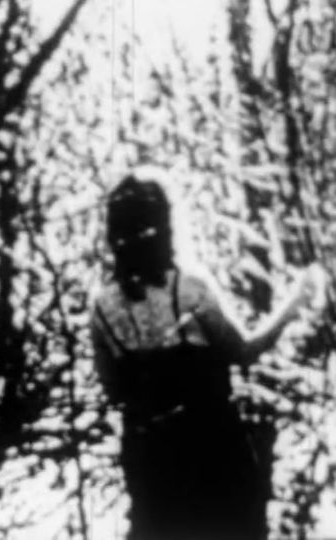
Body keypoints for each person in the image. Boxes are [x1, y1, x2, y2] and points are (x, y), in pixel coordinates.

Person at [91, 174, 320, 540]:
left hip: (150, 460)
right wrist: (296, 302)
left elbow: (114, 391)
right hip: (211, 450)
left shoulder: (103, 307)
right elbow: (243, 351)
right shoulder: (189, 291)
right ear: (165, 227)